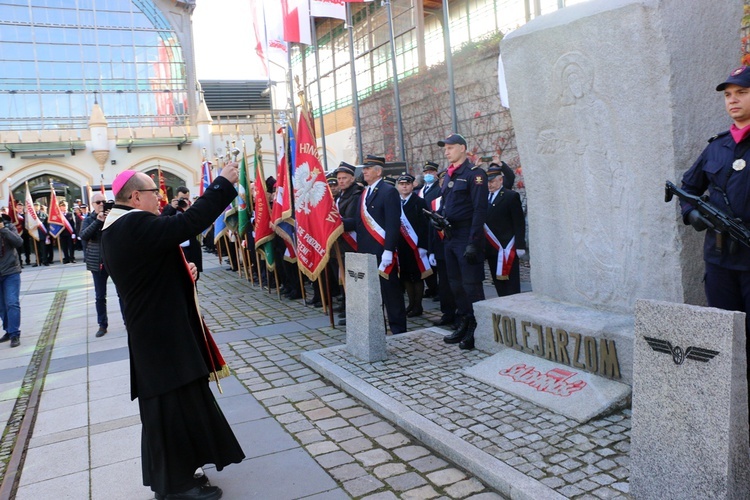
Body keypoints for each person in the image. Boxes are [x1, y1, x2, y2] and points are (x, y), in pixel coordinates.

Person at [101, 166, 245, 500]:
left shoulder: (121, 226)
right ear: (135, 196)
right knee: (169, 412)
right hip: (160, 337)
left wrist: (184, 271)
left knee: (176, 408)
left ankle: (181, 474)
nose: (159, 199)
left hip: (156, 332)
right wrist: (223, 183)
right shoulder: (134, 223)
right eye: (154, 193)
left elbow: (149, 271)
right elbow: (188, 223)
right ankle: (176, 487)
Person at [681, 66, 750, 400]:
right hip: (720, 261)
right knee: (723, 332)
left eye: (741, 92)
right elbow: (687, 186)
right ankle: (727, 402)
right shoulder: (716, 147)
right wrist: (692, 212)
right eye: (727, 95)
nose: (733, 100)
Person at [343, 155, 407, 334]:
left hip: (382, 250)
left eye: (368, 168)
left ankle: (398, 329)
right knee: (373, 292)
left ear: (378, 171)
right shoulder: (365, 192)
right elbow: (358, 222)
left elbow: (393, 223)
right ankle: (378, 328)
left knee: (390, 292)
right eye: (364, 168)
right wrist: (337, 223)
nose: (364, 171)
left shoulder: (388, 191)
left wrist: (388, 250)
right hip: (366, 251)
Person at [437, 134, 488, 350]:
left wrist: (474, 241)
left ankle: (478, 328)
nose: (446, 152)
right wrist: (438, 218)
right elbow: (446, 204)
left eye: (450, 148)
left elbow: (479, 209)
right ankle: (465, 321)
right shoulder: (450, 175)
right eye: (445, 148)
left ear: (463, 148)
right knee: (455, 285)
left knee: (471, 285)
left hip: (467, 235)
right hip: (451, 236)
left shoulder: (474, 175)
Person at [484, 163, 526, 297]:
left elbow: (519, 222)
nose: (489, 185)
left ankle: (515, 305)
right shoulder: (484, 197)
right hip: (492, 246)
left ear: (500, 180)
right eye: (487, 182)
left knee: (511, 281)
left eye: (492, 181)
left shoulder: (510, 196)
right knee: (497, 279)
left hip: (507, 245)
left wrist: (520, 245)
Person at [333, 162, 364, 326]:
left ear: (352, 178)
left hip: (353, 243)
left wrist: (332, 224)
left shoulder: (355, 195)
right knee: (345, 276)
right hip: (342, 243)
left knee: (354, 279)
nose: (341, 181)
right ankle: (348, 308)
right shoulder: (341, 196)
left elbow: (352, 221)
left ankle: (355, 312)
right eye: (339, 178)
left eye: (345, 178)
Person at [396, 173, 430, 317]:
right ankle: (410, 303)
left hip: (415, 245)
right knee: (405, 276)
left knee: (417, 276)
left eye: (407, 184)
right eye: (402, 184)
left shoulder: (419, 202)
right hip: (401, 245)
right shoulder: (395, 202)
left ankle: (418, 305)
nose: (404, 186)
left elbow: (425, 226)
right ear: (397, 186)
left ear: (412, 185)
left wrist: (423, 246)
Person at [80, 193, 114, 338]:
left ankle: (127, 321)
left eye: (104, 201)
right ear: (93, 205)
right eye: (98, 202)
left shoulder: (113, 217)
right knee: (100, 295)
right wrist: (98, 221)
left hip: (113, 260)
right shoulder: (88, 220)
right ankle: (102, 324)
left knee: (122, 293)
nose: (101, 204)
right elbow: (84, 236)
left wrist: (110, 218)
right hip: (97, 262)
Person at [161, 186, 203, 279]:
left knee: (194, 277)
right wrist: (172, 208)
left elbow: (198, 224)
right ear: (176, 197)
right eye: (181, 198)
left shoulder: (191, 208)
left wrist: (187, 210)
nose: (183, 200)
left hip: (191, 249)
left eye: (186, 198)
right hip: (177, 249)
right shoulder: (168, 208)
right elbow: (162, 222)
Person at [0, 214, 23, 348]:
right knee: (2, 306)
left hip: (11, 271)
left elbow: (19, 242)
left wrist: (3, 230)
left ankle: (15, 333)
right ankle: (8, 330)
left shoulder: (9, 227)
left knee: (12, 302)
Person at [418, 161, 440, 298]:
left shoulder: (439, 189)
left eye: (431, 172)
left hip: (434, 227)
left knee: (436, 259)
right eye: (426, 173)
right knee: (425, 260)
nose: (428, 175)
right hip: (423, 229)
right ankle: (431, 287)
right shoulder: (421, 190)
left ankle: (439, 289)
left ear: (436, 173)